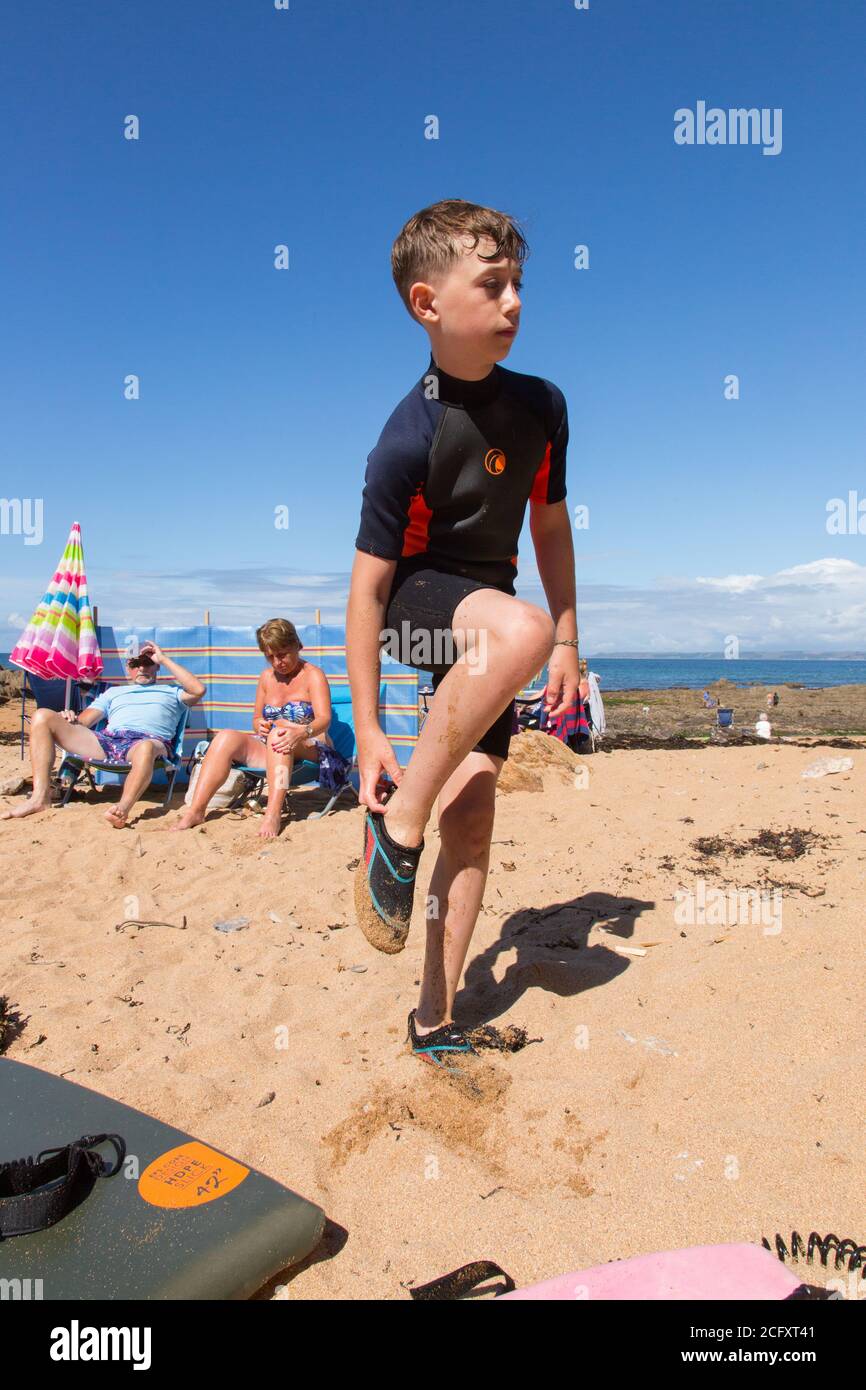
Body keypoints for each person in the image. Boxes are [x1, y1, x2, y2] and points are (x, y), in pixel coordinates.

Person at [347, 199, 578, 1070]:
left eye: (520, 281)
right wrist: (369, 729)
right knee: (514, 628)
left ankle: (434, 1020)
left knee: (475, 819)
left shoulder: (543, 408)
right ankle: (395, 827)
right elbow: (366, 593)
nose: (515, 299)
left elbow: (549, 527)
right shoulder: (406, 438)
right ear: (427, 303)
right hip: (420, 604)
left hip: (494, 624)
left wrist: (568, 639)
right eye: (493, 283)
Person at [172, 618, 348, 839]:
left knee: (279, 735)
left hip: (313, 747)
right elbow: (256, 718)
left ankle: (273, 813)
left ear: (297, 645)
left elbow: (324, 719)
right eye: (270, 657)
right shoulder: (266, 678)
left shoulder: (313, 675)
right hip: (274, 747)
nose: (277, 662)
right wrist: (260, 725)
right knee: (226, 737)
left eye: (282, 654)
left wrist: (300, 731)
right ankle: (196, 810)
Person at [2, 641, 204, 827]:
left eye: (147, 663)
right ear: (128, 668)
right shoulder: (113, 693)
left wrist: (163, 658)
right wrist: (70, 717)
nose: (142, 668)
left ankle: (122, 808)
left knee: (147, 747)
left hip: (147, 742)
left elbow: (198, 690)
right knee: (42, 716)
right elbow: (84, 721)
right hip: (108, 741)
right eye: (135, 664)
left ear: (157, 666)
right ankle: (40, 797)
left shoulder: (172, 692)